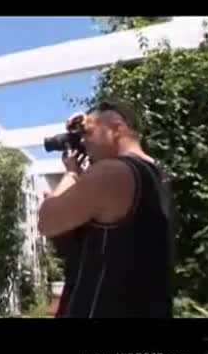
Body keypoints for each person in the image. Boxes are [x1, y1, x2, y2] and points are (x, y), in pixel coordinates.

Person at [38, 101, 175, 318]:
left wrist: (71, 173)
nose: (83, 141)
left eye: (87, 132)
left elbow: (47, 221)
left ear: (116, 128)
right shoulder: (157, 175)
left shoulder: (112, 172)